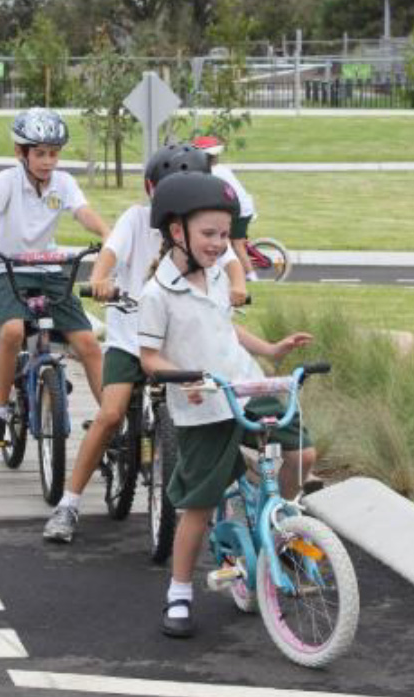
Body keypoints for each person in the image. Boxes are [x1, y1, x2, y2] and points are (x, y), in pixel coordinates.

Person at [137, 171, 316, 639]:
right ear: (178, 232)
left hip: (247, 386)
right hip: (205, 406)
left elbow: (226, 330)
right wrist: (185, 377)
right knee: (199, 506)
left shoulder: (215, 277)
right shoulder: (158, 293)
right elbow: (149, 356)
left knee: (303, 454)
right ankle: (178, 593)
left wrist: (271, 350)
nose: (221, 244)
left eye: (225, 234)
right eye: (210, 234)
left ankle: (279, 529)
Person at [42, 144, 249, 543]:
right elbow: (111, 251)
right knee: (110, 413)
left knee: (221, 408)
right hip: (130, 339)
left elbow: (231, 264)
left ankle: (227, 497)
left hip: (183, 343)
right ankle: (68, 504)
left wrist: (238, 286)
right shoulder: (137, 220)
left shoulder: (201, 234)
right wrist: (101, 278)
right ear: (153, 191)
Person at [0, 108, 110, 446]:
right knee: (13, 331)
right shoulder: (7, 182)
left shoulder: (63, 182)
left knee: (87, 343)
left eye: (53, 153)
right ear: (20, 153)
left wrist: (106, 232)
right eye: (39, 154)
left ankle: (110, 423)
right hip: (8, 270)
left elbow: (83, 214)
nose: (47, 161)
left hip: (49, 271)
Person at [192, 135, 259, 281]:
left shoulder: (214, 173)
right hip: (240, 207)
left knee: (236, 244)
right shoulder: (219, 169)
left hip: (240, 211)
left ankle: (252, 277)